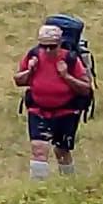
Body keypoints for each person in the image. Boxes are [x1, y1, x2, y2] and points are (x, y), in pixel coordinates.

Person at [17, 14, 95, 176]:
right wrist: (30, 71)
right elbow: (18, 80)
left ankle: (68, 185)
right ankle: (38, 190)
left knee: (62, 151)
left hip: (66, 111)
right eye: (43, 46)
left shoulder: (70, 59)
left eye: (52, 47)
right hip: (38, 109)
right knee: (38, 149)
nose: (47, 50)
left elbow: (85, 88)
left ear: (60, 44)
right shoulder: (34, 56)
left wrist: (66, 76)